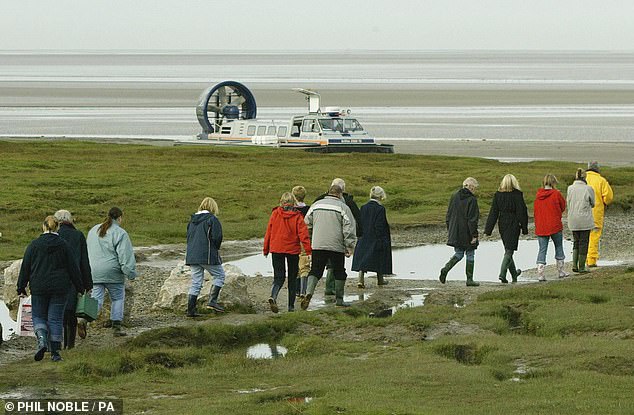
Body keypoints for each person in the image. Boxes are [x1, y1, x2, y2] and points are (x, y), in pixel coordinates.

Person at [17, 216, 84, 362]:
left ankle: (41, 340)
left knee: (38, 316)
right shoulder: (64, 245)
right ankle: (55, 353)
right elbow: (73, 268)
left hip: (39, 287)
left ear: (43, 227)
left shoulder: (34, 245)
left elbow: (25, 267)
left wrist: (21, 287)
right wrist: (80, 286)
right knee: (55, 319)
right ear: (57, 228)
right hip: (60, 288)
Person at [301, 184, 357, 309]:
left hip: (318, 244)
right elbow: (349, 228)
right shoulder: (344, 207)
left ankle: (308, 292)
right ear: (340, 194)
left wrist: (310, 240)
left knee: (315, 270)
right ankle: (339, 300)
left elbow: (306, 224)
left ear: (328, 192)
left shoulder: (316, 205)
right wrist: (349, 246)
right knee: (339, 272)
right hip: (336, 245)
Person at [87, 207, 137, 336]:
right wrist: (130, 273)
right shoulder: (120, 233)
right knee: (118, 298)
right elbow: (125, 256)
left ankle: (84, 320)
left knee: (96, 299)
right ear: (119, 218)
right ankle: (116, 327)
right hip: (113, 272)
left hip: (94, 271)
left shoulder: (94, 230)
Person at [263, 192, 312, 313]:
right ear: (293, 203)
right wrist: (308, 250)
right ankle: (290, 307)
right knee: (292, 278)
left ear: (281, 202)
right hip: (292, 250)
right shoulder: (297, 216)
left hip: (276, 248)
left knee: (278, 277)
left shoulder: (275, 214)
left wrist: (266, 249)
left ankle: (273, 296)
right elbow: (303, 235)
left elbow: (268, 232)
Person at [314, 178, 361, 296]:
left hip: (319, 237)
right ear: (342, 190)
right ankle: (332, 289)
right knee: (336, 264)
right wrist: (358, 235)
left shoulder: (319, 199)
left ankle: (316, 290)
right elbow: (357, 218)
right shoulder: (348, 202)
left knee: (320, 266)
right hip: (337, 237)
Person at [54, 210, 93, 348]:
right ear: (70, 220)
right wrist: (88, 284)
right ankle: (70, 345)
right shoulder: (78, 235)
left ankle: (57, 343)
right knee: (71, 312)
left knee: (57, 312)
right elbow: (84, 261)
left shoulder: (55, 235)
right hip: (74, 280)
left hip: (57, 279)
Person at [484, 174, 529, 283]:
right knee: (509, 250)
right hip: (513, 224)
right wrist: (524, 228)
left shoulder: (498, 195)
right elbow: (522, 213)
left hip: (502, 224)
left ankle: (514, 274)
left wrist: (488, 230)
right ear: (514, 183)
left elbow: (493, 213)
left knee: (508, 249)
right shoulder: (517, 195)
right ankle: (502, 274)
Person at [185, 197, 226, 317]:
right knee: (219, 275)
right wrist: (215, 250)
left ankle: (191, 310)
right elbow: (217, 237)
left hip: (192, 255)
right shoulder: (212, 219)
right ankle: (212, 302)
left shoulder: (192, 220)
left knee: (196, 282)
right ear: (213, 208)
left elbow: (188, 237)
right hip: (206, 254)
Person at [439, 177, 481, 287]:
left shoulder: (454, 196)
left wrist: (450, 230)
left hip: (455, 231)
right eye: (475, 188)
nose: (475, 190)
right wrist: (474, 235)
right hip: (467, 232)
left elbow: (448, 215)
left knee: (459, 253)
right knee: (470, 254)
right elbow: (472, 220)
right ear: (471, 187)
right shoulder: (472, 200)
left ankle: (445, 269)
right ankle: (469, 279)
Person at [352, 186, 392, 288]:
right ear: (381, 196)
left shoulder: (363, 207)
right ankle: (380, 279)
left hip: (364, 236)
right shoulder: (380, 209)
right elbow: (380, 225)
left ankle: (360, 280)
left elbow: (359, 222)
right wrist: (382, 238)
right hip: (375, 236)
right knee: (379, 257)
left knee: (363, 257)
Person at [533, 174, 567, 281]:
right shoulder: (556, 194)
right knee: (559, 247)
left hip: (541, 226)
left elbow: (536, 211)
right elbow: (563, 206)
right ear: (553, 182)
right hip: (555, 225)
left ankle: (540, 273)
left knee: (542, 250)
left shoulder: (538, 196)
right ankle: (561, 271)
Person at [585, 161, 614, 267]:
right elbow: (609, 197)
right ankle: (591, 260)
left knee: (583, 237)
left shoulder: (583, 179)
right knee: (594, 236)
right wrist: (604, 202)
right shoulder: (601, 181)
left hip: (582, 213)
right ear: (597, 169)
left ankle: (582, 260)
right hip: (596, 213)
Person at [566, 169, 595, 274]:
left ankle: (574, 264)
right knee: (584, 242)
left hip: (573, 219)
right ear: (584, 178)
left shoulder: (570, 188)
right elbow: (593, 203)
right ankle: (581, 267)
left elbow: (567, 202)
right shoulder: (588, 188)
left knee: (576, 241)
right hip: (585, 219)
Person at [291, 185, 311, 300]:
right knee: (305, 265)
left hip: (293, 239)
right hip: (305, 239)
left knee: (295, 263)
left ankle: (297, 291)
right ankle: (303, 291)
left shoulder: (292, 210)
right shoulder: (309, 209)